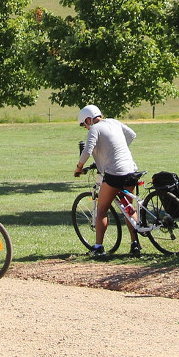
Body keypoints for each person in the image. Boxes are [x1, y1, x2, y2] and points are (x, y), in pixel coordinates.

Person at [73, 104, 139, 258]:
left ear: (88, 119)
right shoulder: (114, 122)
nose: (86, 128)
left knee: (102, 209)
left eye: (84, 125)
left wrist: (79, 167)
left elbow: (87, 150)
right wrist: (115, 149)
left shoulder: (95, 129)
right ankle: (135, 243)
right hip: (131, 170)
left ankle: (98, 247)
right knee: (129, 208)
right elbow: (132, 135)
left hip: (114, 174)